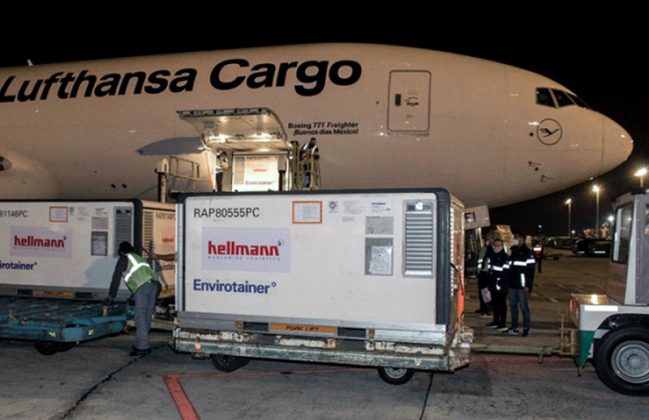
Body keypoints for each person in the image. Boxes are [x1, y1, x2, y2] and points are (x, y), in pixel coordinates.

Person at [107, 241, 160, 356]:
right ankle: (143, 342)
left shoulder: (124, 259)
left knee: (140, 316)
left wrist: (111, 296)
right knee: (147, 315)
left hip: (143, 286)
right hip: (155, 285)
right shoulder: (138, 258)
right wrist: (132, 296)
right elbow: (142, 275)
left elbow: (116, 278)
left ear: (122, 251)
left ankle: (142, 346)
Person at [504, 231, 535, 337]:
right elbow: (508, 268)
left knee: (523, 306)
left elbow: (530, 271)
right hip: (512, 284)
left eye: (516, 238)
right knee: (513, 306)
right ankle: (514, 327)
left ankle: (526, 328)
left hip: (522, 285)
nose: (514, 240)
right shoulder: (512, 251)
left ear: (522, 239)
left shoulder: (527, 252)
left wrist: (528, 285)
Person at [485, 238, 509, 330]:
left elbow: (505, 272)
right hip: (493, 283)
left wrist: (501, 282)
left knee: (501, 303)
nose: (496, 247)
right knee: (494, 303)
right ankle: (495, 321)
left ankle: (502, 323)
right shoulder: (491, 256)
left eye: (498, 246)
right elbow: (489, 270)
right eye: (494, 246)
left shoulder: (505, 257)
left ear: (502, 246)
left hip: (501, 284)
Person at [475, 230, 494, 316]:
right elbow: (480, 260)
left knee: (486, 292)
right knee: (483, 291)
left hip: (487, 273)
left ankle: (488, 308)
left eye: (489, 238)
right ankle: (483, 307)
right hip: (483, 273)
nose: (487, 240)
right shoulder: (486, 248)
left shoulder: (491, 248)